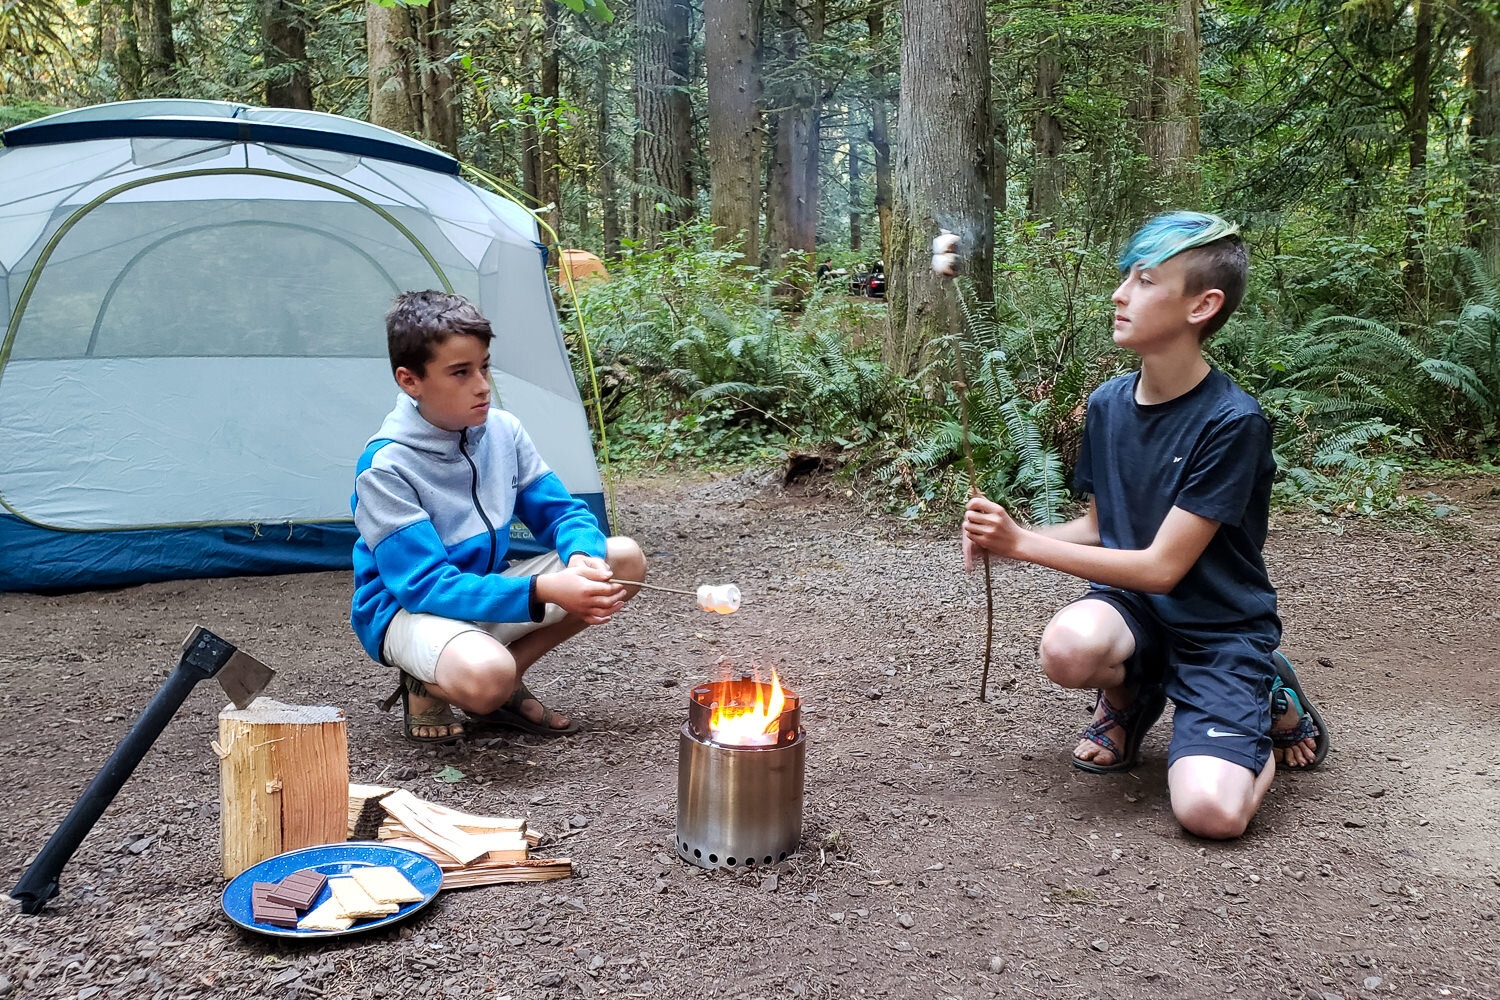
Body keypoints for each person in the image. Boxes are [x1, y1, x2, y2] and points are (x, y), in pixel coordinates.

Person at [961, 212, 1327, 840]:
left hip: (1218, 631)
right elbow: (1100, 528)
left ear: (1201, 305)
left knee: (1211, 814)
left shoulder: (1232, 423)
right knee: (1067, 648)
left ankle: (1262, 703)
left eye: (1146, 281)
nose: (1120, 294)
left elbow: (1163, 566)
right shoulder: (1106, 405)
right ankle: (1133, 702)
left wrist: (1023, 547)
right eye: (1125, 277)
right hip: (1138, 613)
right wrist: (1010, 537)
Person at [351, 291, 646, 744]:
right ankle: (428, 681)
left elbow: (562, 512)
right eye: (460, 373)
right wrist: (546, 587)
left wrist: (583, 555)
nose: (482, 385)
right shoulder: (385, 468)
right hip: (408, 610)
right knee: (487, 676)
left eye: (484, 366)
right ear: (411, 381)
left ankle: (509, 684)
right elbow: (425, 586)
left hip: (482, 594)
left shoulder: (504, 432)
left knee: (621, 560)